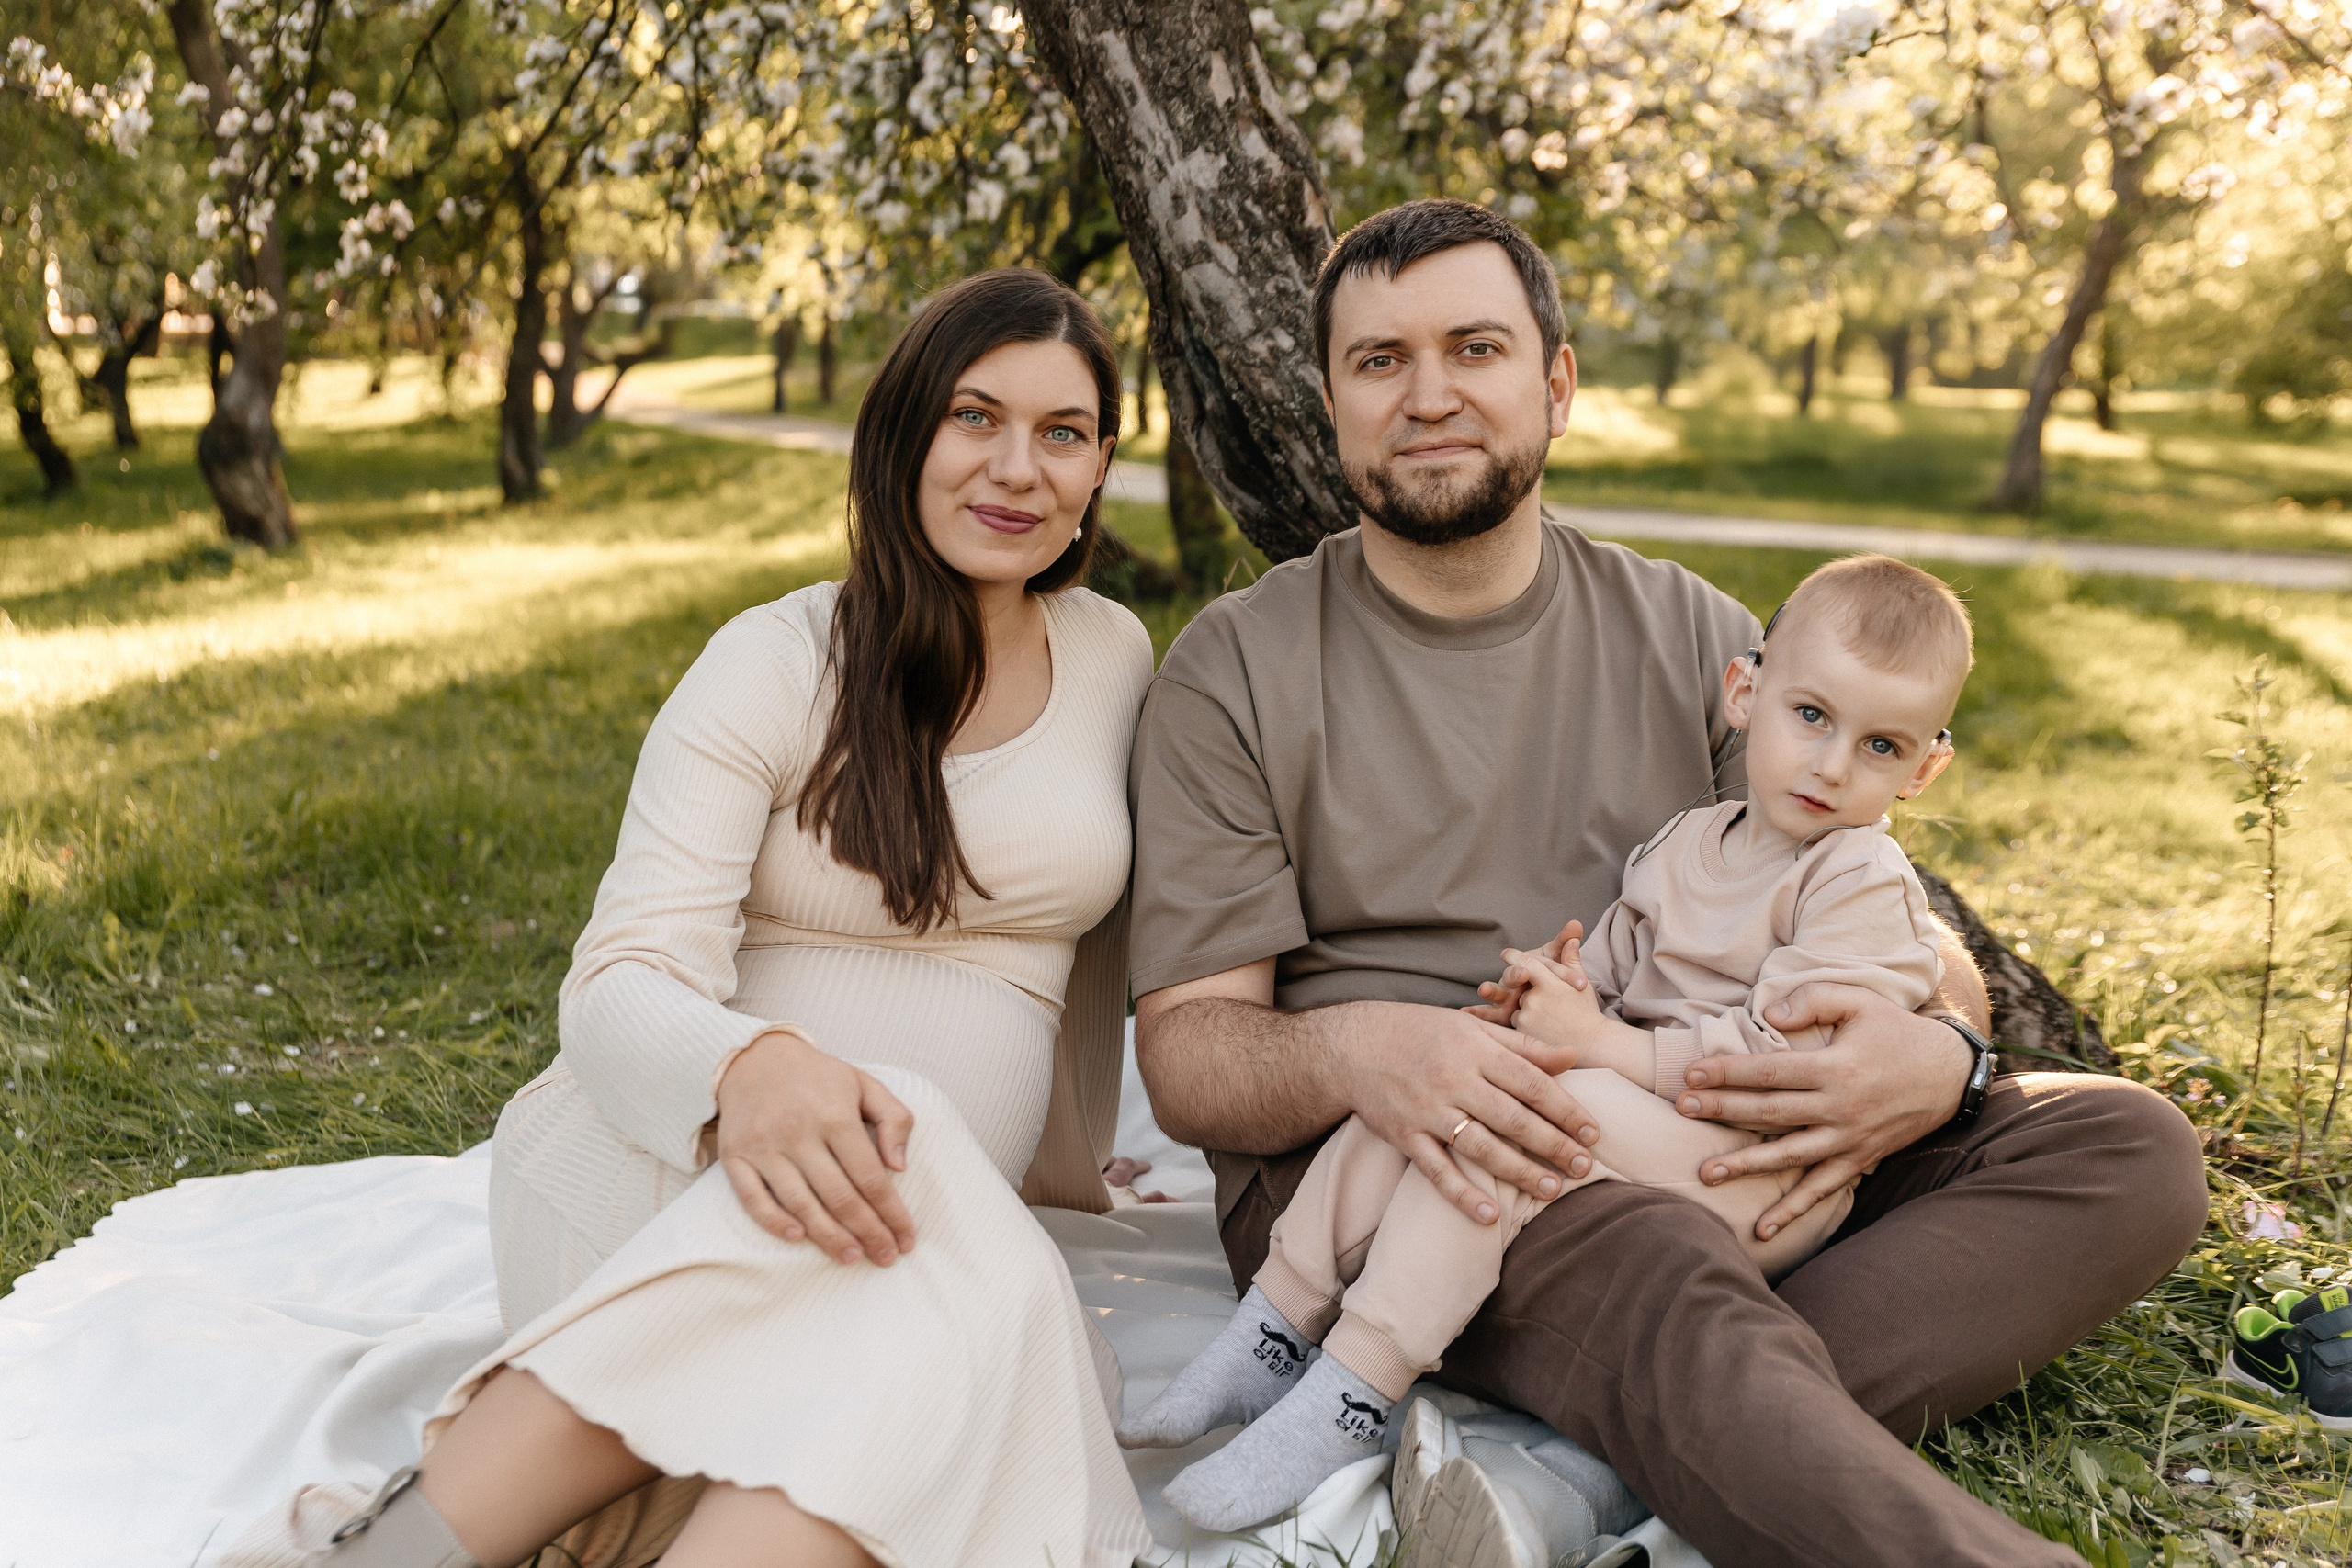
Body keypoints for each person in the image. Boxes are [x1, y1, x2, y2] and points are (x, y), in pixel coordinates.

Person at [1125, 197, 2210, 1568]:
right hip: (1413, 1159)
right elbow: (1191, 1059)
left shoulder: (1696, 632)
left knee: (2126, 1143)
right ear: (1332, 397)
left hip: (1698, 1111)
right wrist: (1376, 1047)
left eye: (1476, 347)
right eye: (1381, 359)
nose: (1432, 393)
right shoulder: (1235, 669)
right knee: (1647, 1252)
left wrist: (1938, 1048)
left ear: (1557, 383)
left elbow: (1882, 909)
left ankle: (1591, 1459)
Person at [238, 268, 1157, 1568]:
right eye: (974, 416)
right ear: (901, 433)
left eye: (1064, 432)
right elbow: (617, 979)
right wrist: (748, 1068)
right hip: (661, 1179)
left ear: (1102, 463)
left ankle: (399, 1547)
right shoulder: (774, 662)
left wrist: (1060, 1161)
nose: (1019, 466)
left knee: (913, 1345)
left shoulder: (1115, 657)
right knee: (930, 1202)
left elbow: (1088, 953)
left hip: (900, 1236)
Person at [1125, 554, 1974, 1531]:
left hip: (1755, 1159)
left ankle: (1355, 1389)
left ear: (1923, 769)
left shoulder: (1856, 879)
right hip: (1651, 1115)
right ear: (1746, 693)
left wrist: (1598, 1046)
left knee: (1524, 1118)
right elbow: (1613, 966)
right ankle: (1271, 1333)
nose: (1830, 765)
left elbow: (1777, 1064)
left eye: (1879, 746)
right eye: (1812, 718)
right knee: (1440, 1093)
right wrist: (1558, 987)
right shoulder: (1690, 841)